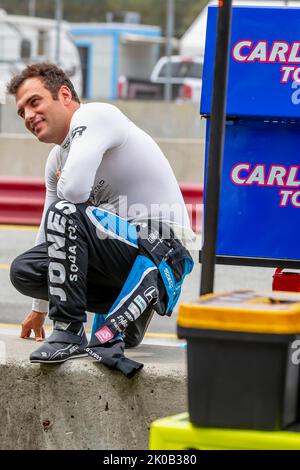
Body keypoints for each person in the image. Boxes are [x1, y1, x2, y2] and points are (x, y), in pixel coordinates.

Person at [7, 63, 194, 378]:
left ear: (64, 94)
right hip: (119, 250)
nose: (27, 115)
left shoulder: (95, 116)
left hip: (162, 250)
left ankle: (68, 331)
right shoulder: (57, 158)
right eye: (21, 111)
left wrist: (68, 185)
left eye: (34, 102)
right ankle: (125, 306)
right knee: (24, 270)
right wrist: (39, 309)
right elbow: (46, 235)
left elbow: (75, 190)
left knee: (66, 211)